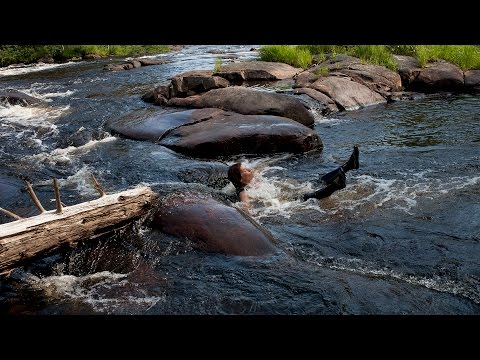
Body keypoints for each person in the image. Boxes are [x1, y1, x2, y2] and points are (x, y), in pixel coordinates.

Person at [227, 146, 359, 207]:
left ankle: (349, 166)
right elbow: (246, 205)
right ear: (240, 179)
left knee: (318, 181)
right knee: (308, 196)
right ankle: (337, 185)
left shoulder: (251, 179)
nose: (250, 170)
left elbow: (259, 168)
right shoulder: (243, 191)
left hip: (289, 192)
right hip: (287, 202)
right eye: (246, 171)